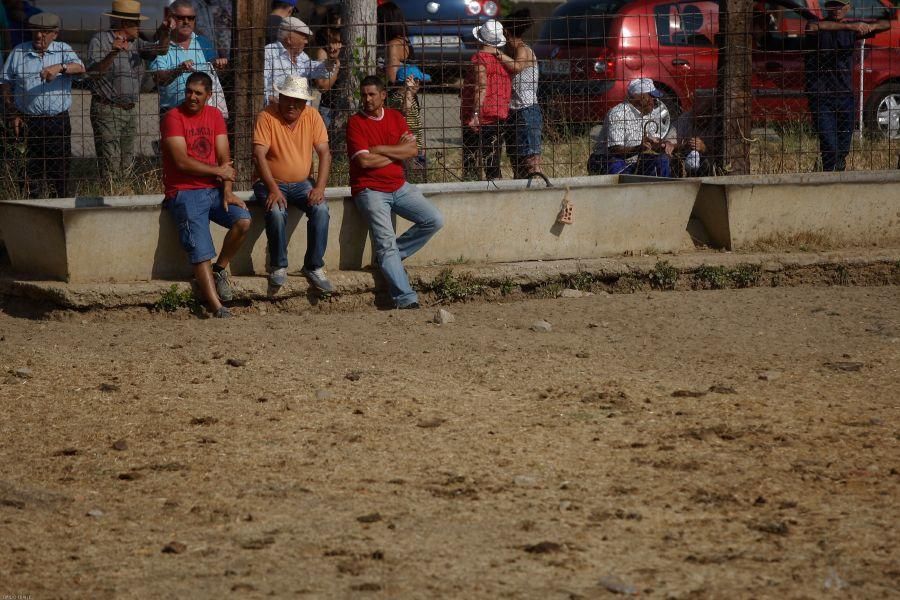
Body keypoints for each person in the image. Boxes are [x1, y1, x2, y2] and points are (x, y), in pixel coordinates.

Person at [346, 76, 444, 310]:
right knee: (385, 242)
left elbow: (412, 149)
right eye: (364, 94)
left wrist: (380, 149)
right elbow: (365, 162)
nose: (367, 99)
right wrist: (395, 151)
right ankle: (406, 298)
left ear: (383, 96)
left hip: (399, 186)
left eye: (372, 94)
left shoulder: (396, 117)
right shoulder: (355, 123)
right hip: (369, 190)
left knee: (434, 219)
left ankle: (390, 257)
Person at [160, 71, 250, 318]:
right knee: (201, 250)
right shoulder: (173, 117)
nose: (192, 97)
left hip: (213, 189)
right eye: (189, 91)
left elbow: (224, 157)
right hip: (185, 192)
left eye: (198, 93)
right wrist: (218, 171)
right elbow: (181, 161)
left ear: (209, 96)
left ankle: (220, 269)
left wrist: (228, 191)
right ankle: (216, 306)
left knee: (242, 220)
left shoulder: (215, 116)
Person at [252, 75, 334, 295]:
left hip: (302, 183)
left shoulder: (313, 116)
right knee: (277, 211)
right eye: (286, 98)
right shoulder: (266, 116)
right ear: (279, 97)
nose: (291, 104)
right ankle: (278, 265)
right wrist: (273, 188)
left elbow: (325, 153)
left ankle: (314, 265)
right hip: (269, 182)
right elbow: (259, 155)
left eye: (297, 100)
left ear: (304, 102)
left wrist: (320, 188)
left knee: (321, 209)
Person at [0, 12, 84, 198]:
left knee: (59, 175)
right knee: (29, 175)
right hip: (27, 122)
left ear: (55, 33)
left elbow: (80, 68)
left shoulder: (63, 49)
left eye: (45, 32)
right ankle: (31, 213)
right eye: (36, 31)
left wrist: (60, 68)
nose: (39, 36)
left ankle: (58, 209)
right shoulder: (19, 52)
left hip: (57, 122)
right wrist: (12, 112)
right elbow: (4, 82)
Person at [87, 0, 170, 181]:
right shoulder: (100, 40)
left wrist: (165, 32)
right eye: (137, 23)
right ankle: (109, 195)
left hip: (129, 109)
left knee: (127, 161)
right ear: (125, 24)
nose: (139, 27)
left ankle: (122, 192)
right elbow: (93, 73)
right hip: (107, 108)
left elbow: (161, 50)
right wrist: (113, 52)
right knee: (110, 160)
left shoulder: (136, 43)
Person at [804, 0, 888, 172]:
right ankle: (828, 173)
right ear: (827, 8)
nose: (837, 9)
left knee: (843, 147)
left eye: (841, 6)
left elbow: (886, 24)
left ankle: (834, 171)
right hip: (821, 95)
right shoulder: (818, 25)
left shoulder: (852, 29)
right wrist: (851, 27)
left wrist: (868, 27)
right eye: (833, 5)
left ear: (849, 7)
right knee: (829, 144)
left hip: (845, 95)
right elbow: (814, 27)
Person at [151, 0, 228, 119]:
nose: (186, 22)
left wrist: (219, 66)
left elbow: (214, 74)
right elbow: (159, 79)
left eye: (191, 18)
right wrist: (178, 69)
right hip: (173, 112)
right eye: (181, 18)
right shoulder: (160, 47)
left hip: (203, 110)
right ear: (170, 20)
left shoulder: (203, 42)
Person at [586, 78, 672, 177]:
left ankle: (662, 189)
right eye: (652, 97)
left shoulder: (651, 114)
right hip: (606, 159)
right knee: (616, 166)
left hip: (635, 159)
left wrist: (661, 145)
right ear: (640, 97)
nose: (654, 101)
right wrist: (639, 148)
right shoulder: (618, 113)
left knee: (662, 161)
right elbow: (614, 150)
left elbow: (652, 143)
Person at [377, 1, 426, 172]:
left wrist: (378, 71)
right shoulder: (405, 42)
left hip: (397, 101)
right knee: (413, 136)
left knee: (400, 142)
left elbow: (391, 77)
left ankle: (407, 174)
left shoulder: (392, 45)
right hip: (411, 98)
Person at [460, 20, 511, 181]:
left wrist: (475, 114)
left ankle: (471, 192)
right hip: (498, 114)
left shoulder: (479, 58)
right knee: (492, 161)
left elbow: (481, 87)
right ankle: (497, 195)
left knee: (471, 160)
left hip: (479, 115)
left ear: (479, 38)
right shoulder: (501, 61)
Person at [496, 8, 542, 179]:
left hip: (526, 110)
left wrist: (495, 53)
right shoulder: (511, 52)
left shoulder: (523, 49)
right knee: (516, 159)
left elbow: (517, 66)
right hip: (513, 112)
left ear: (506, 33)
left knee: (530, 159)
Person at [263, 16, 335, 105]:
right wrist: (273, 100)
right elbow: (259, 88)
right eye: (304, 38)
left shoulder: (302, 56)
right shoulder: (268, 53)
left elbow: (317, 69)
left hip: (301, 113)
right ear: (289, 39)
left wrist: (331, 61)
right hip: (276, 113)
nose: (306, 42)